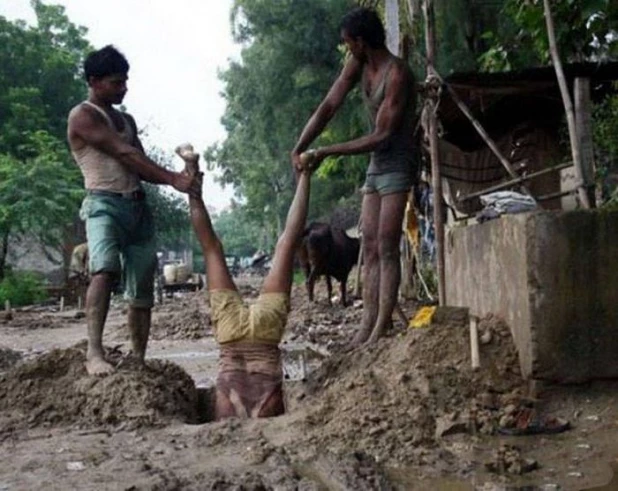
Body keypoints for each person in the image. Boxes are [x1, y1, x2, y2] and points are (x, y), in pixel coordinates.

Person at [67, 45, 200, 376]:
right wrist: (174, 179)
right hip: (103, 204)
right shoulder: (82, 116)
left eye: (125, 81)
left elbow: (139, 166)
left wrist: (180, 177)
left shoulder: (126, 120)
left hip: (137, 207)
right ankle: (94, 353)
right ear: (94, 81)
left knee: (141, 284)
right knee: (104, 269)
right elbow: (123, 154)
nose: (123, 88)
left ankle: (138, 358)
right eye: (116, 82)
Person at [291, 7, 417, 345]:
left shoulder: (397, 75)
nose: (347, 50)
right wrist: (301, 145)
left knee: (388, 246)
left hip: (398, 160)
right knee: (371, 246)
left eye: (349, 44)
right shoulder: (358, 65)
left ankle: (381, 326)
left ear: (362, 42)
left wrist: (328, 151)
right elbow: (329, 106)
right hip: (377, 164)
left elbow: (382, 135)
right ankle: (367, 324)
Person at [176, 144, 313, 419]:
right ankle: (305, 174)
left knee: (279, 245)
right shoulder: (230, 414)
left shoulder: (224, 415)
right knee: (220, 248)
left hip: (260, 336)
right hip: (237, 338)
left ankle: (306, 174)